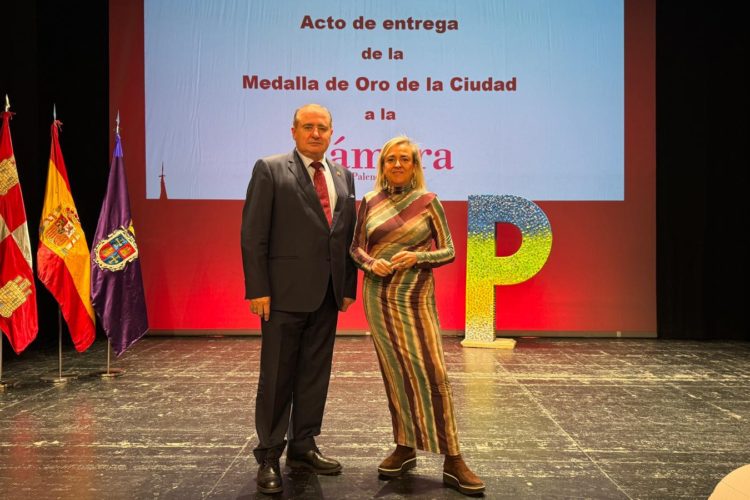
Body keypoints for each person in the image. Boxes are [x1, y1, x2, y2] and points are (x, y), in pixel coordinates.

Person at [349, 136, 485, 496]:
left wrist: (417, 258)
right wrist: (369, 262)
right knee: (395, 375)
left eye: (404, 159)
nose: (396, 164)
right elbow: (355, 248)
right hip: (378, 297)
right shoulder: (368, 202)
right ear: (382, 166)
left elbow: (449, 250)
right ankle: (405, 447)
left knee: (433, 372)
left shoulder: (429, 202)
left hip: (415, 297)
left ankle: (453, 458)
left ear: (415, 166)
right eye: (390, 159)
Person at [241, 103, 357, 495]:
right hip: (283, 294)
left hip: (326, 293)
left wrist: (346, 287)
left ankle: (303, 446)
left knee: (314, 375)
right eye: (308, 127)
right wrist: (257, 288)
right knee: (276, 378)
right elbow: (253, 234)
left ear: (331, 132)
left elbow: (346, 237)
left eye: (322, 127)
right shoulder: (270, 169)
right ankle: (270, 454)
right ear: (293, 131)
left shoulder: (343, 175)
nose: (315, 133)